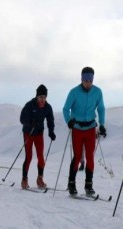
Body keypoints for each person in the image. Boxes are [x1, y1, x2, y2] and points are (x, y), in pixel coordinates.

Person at [63, 67, 106, 196]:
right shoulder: (74, 92)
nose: (88, 83)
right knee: (77, 157)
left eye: (90, 80)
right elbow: (66, 109)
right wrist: (69, 120)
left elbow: (101, 109)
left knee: (90, 157)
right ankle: (71, 183)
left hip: (90, 128)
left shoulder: (97, 92)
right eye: (85, 80)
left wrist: (102, 124)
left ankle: (89, 185)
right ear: (81, 79)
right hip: (77, 128)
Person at [20, 84, 56, 189]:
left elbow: (50, 121)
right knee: (29, 156)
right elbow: (22, 118)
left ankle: (40, 178)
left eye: (44, 97)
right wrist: (31, 122)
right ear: (37, 96)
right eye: (41, 97)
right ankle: (24, 179)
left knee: (40, 156)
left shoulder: (48, 107)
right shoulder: (30, 105)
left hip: (39, 133)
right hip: (28, 133)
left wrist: (51, 132)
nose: (42, 99)